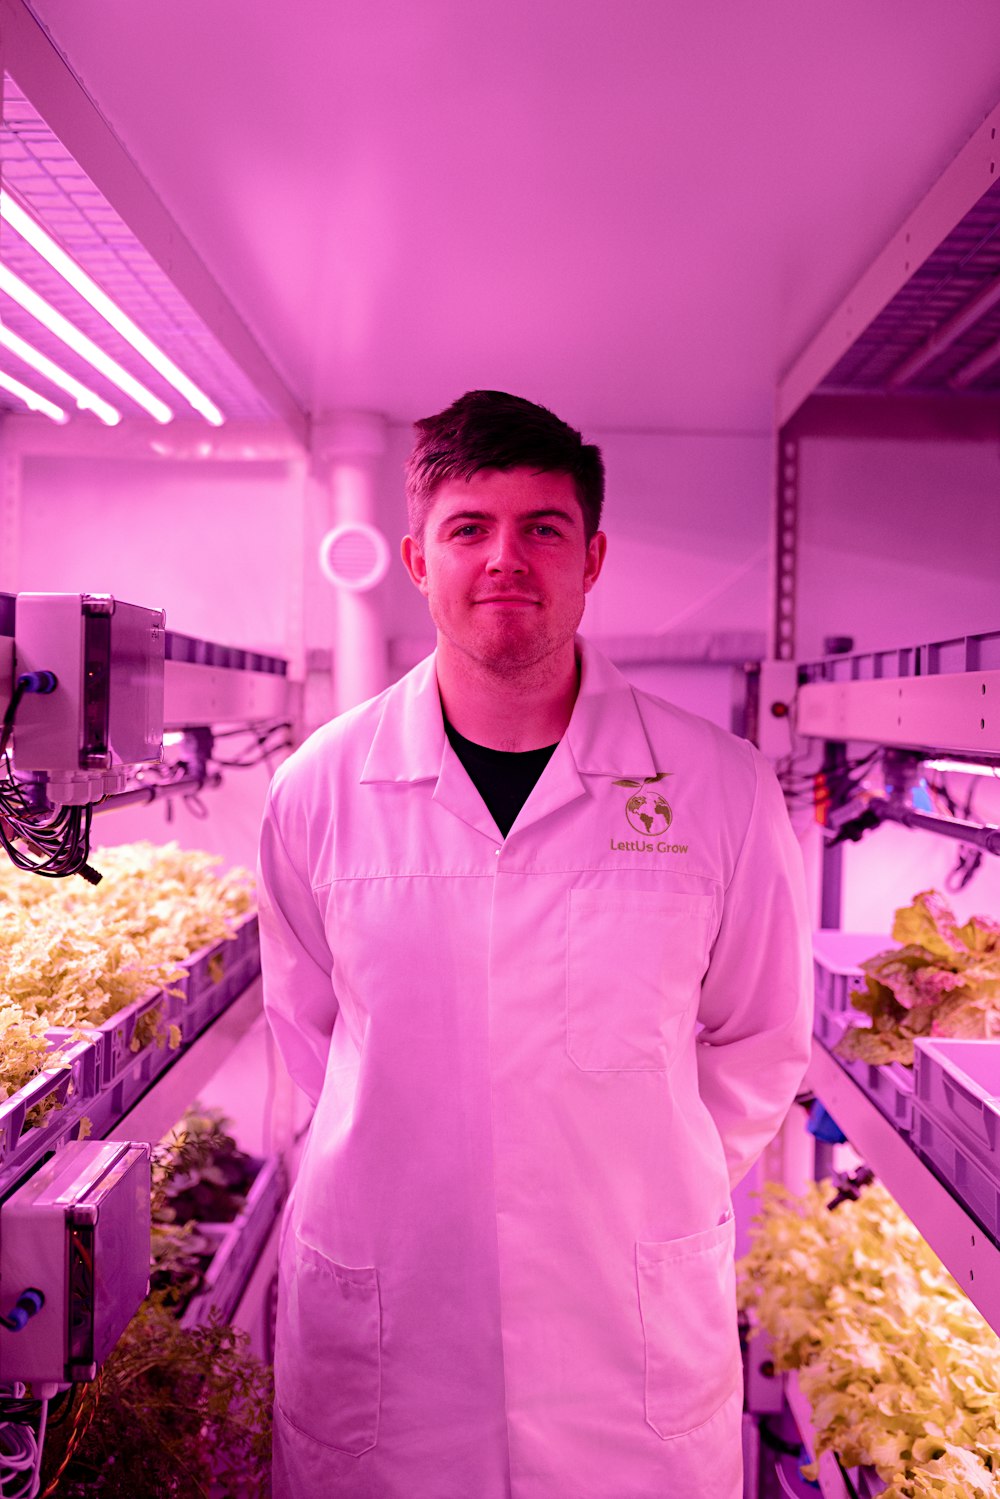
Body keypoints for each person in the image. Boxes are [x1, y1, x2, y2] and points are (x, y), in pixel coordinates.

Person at [258, 389, 813, 1499]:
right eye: (470, 527)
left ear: (591, 554)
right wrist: (399, 1172)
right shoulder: (318, 788)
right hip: (390, 1330)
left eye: (542, 528)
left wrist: (635, 1170)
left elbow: (758, 1039)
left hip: (625, 1339)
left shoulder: (720, 788)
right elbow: (307, 1038)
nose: (504, 558)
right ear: (418, 555)